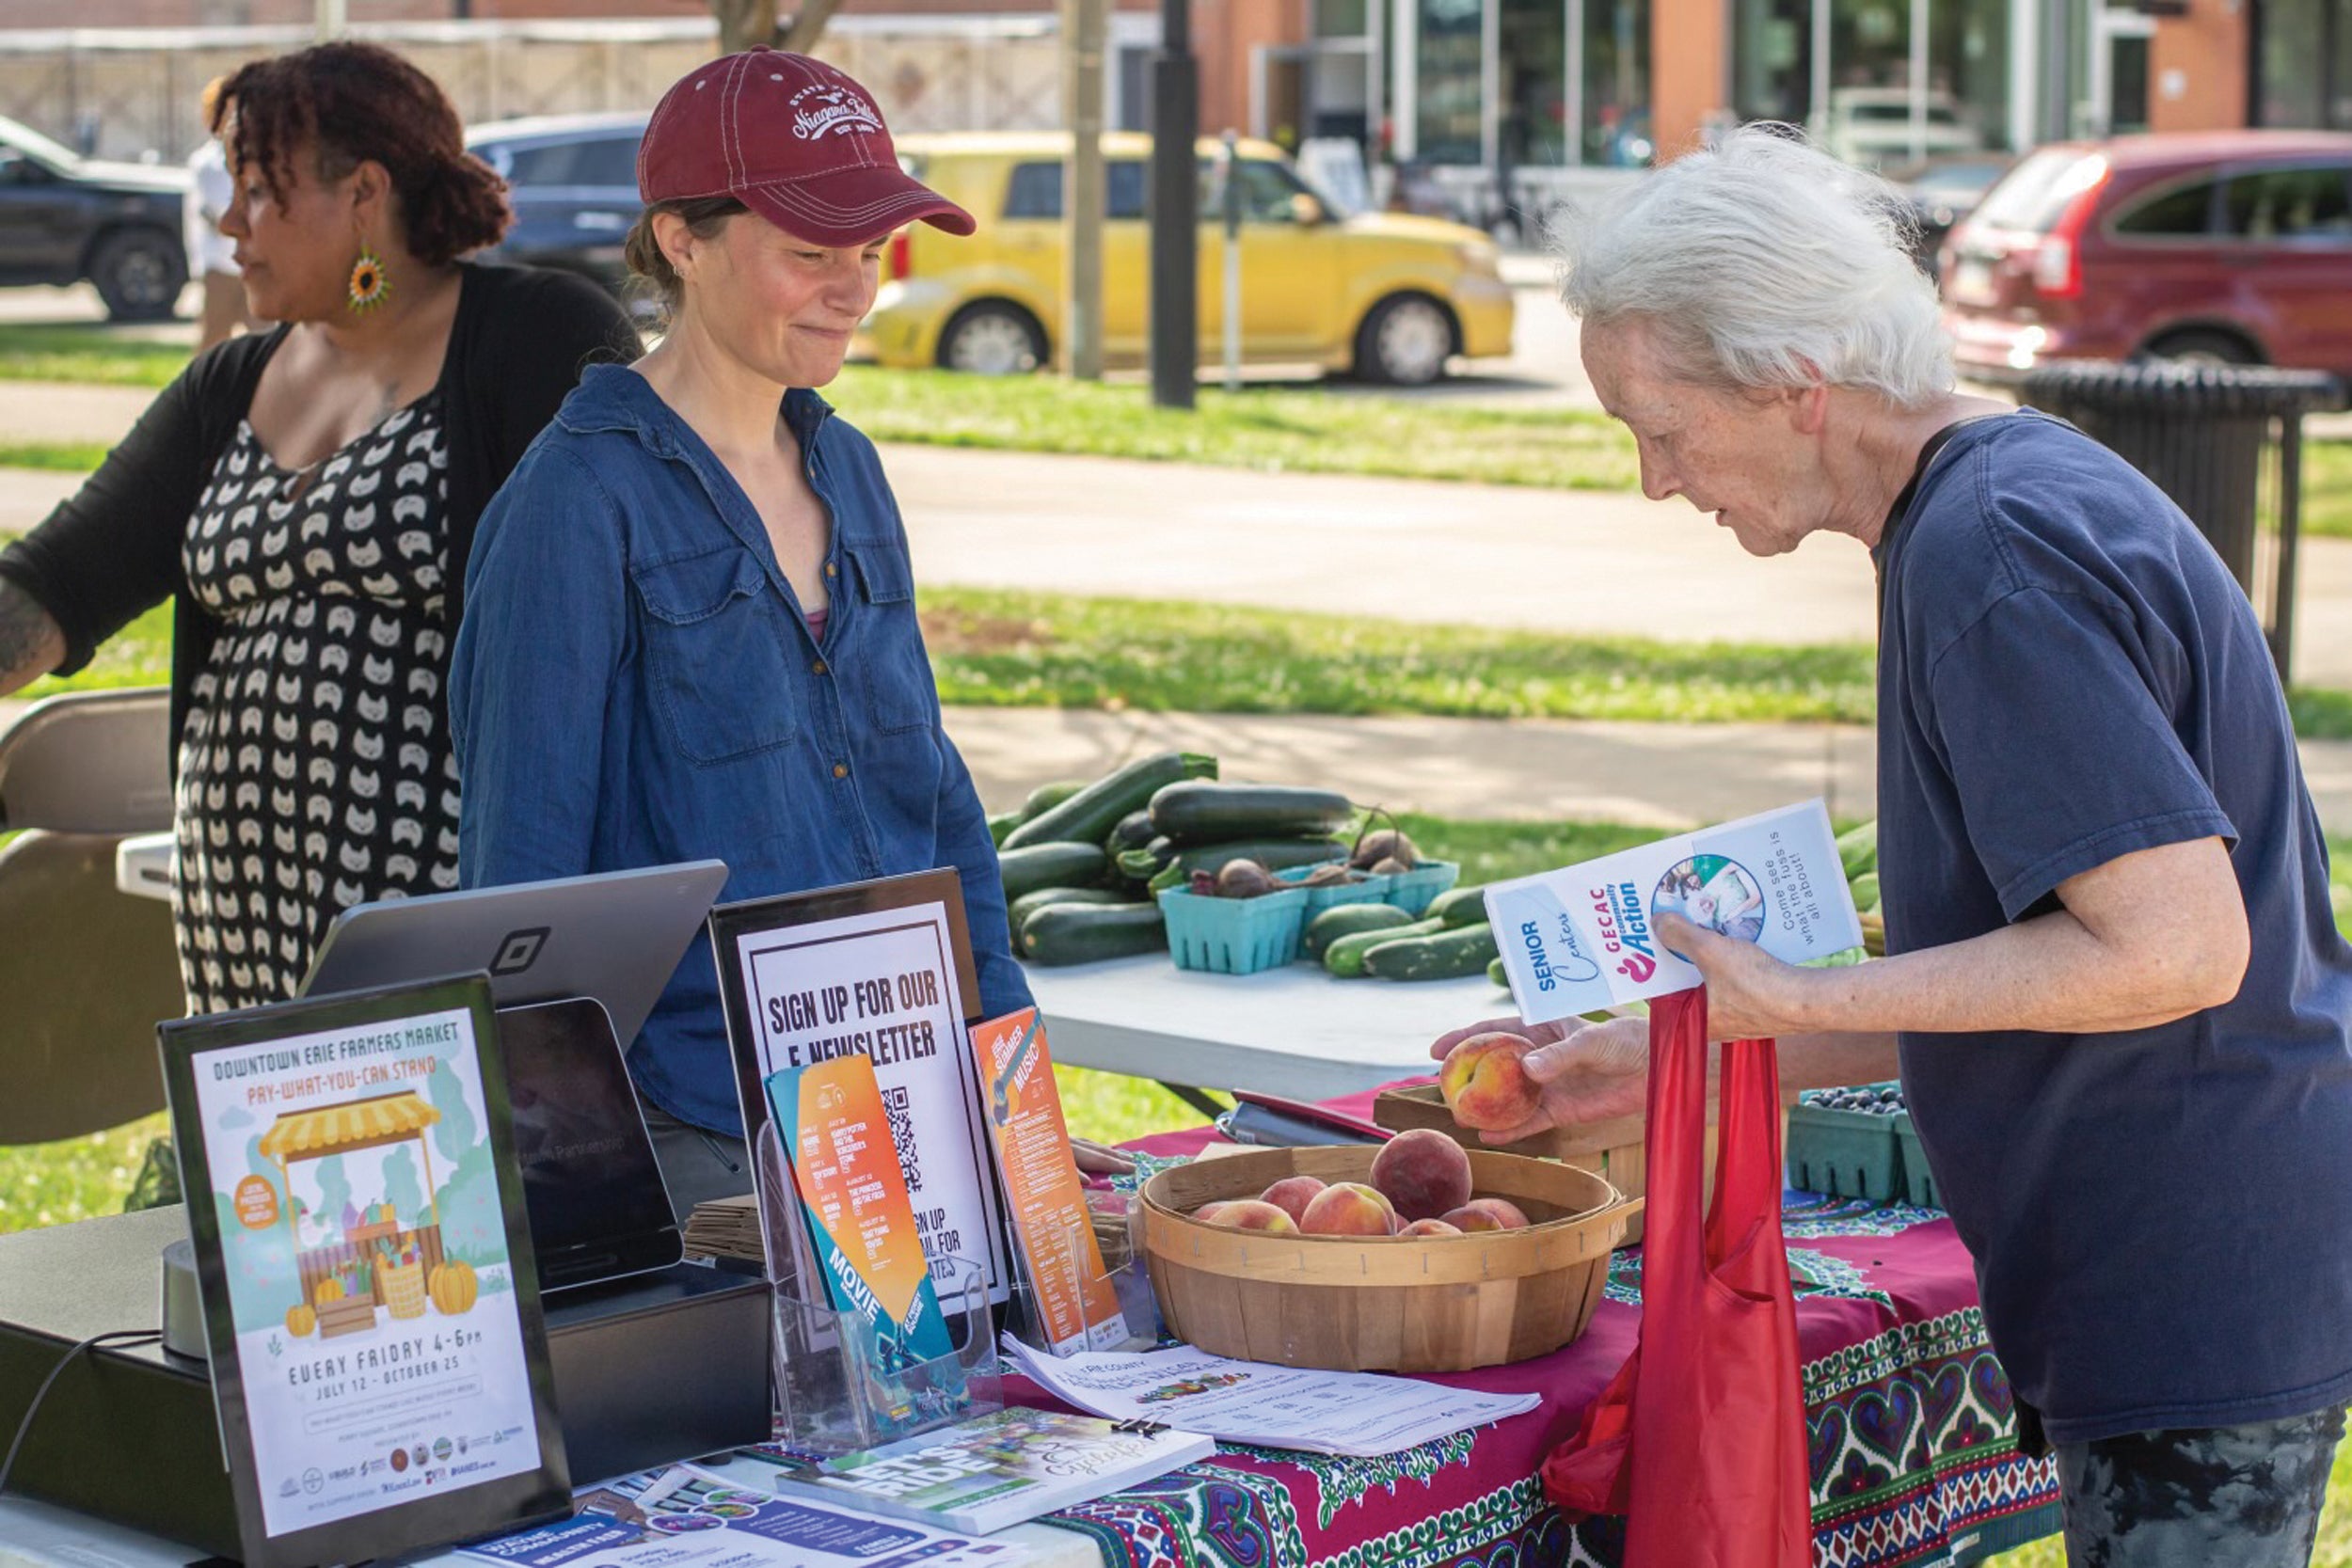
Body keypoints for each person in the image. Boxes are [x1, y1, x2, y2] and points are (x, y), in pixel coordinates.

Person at [1435, 127, 2352, 1565]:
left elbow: (2177, 946)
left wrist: (1793, 999)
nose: (1656, 481)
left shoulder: (1991, 552)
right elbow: (2009, 972)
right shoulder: (1989, 506)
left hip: (2186, 1264)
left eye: (1660, 426)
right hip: (2177, 1251)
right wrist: (1655, 1046)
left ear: (1796, 385)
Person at [451, 50, 1039, 1215]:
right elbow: (522, 893)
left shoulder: (850, 469)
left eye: (869, 253)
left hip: (914, 1106)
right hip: (704, 1137)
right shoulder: (575, 503)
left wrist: (1005, 1052)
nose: (853, 289)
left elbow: (931, 790)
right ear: (683, 241)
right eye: (809, 252)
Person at [0, 41, 638, 1015]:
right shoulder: (228, 386)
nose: (228, 223)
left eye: (260, 192)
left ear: (364, 193)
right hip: (237, 920)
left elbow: (622, 592)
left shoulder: (534, 336)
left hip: (451, 918)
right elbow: (56, 585)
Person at [185, 77, 261, 352]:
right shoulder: (206, 165)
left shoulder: (257, 159)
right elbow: (219, 217)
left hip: (253, 263)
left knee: (264, 336)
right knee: (214, 338)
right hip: (220, 265)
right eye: (226, 112)